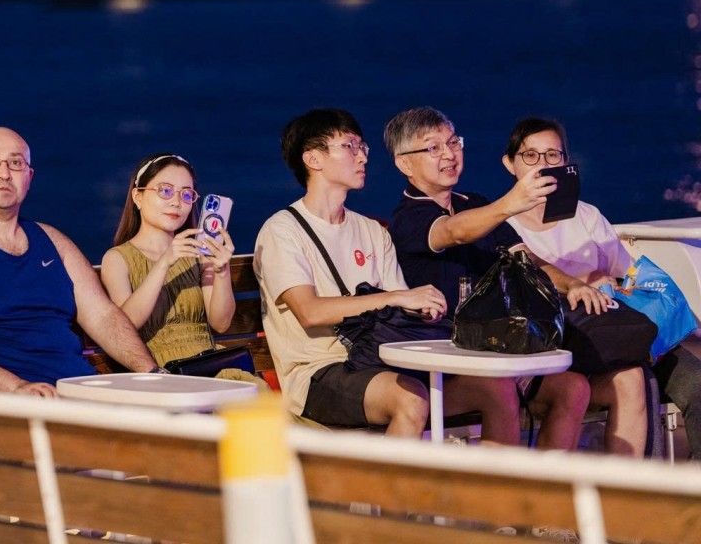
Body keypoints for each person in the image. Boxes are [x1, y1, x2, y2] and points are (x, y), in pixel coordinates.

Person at [254, 109, 518, 437]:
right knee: (410, 399)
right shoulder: (282, 230)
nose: (363, 156)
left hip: (381, 361)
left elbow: (401, 309)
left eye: (362, 147)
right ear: (313, 159)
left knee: (497, 388)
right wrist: (396, 297)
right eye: (349, 146)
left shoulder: (372, 231)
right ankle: (385, 474)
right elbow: (310, 312)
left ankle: (497, 475)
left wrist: (425, 308)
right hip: (319, 373)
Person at [384, 106, 591, 449]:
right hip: (441, 363)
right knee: (498, 387)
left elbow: (526, 259)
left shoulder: (473, 203)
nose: (449, 154)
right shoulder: (408, 218)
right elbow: (454, 232)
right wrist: (512, 202)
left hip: (494, 347)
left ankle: (544, 484)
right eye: (433, 147)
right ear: (405, 163)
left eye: (454, 142)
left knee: (574, 388)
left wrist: (573, 284)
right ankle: (499, 485)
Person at [0, 126, 159, 396]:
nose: (4, 173)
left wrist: (152, 373)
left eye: (16, 163)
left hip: (74, 394)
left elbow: (103, 317)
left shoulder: (53, 242)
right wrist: (17, 388)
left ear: (29, 177)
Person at [502, 117, 701, 457]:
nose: (542, 165)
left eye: (552, 155)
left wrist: (611, 283)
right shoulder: (504, 227)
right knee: (637, 378)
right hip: (566, 345)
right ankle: (630, 485)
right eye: (530, 156)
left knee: (696, 382)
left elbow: (628, 275)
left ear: (566, 162)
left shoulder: (586, 216)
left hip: (620, 329)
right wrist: (581, 283)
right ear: (510, 163)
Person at [99, 152, 246, 371]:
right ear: (138, 197)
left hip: (207, 364)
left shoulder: (198, 255)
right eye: (165, 191)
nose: (176, 202)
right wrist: (164, 262)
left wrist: (222, 271)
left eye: (186, 195)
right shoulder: (117, 258)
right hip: (159, 370)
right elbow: (125, 326)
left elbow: (221, 324)